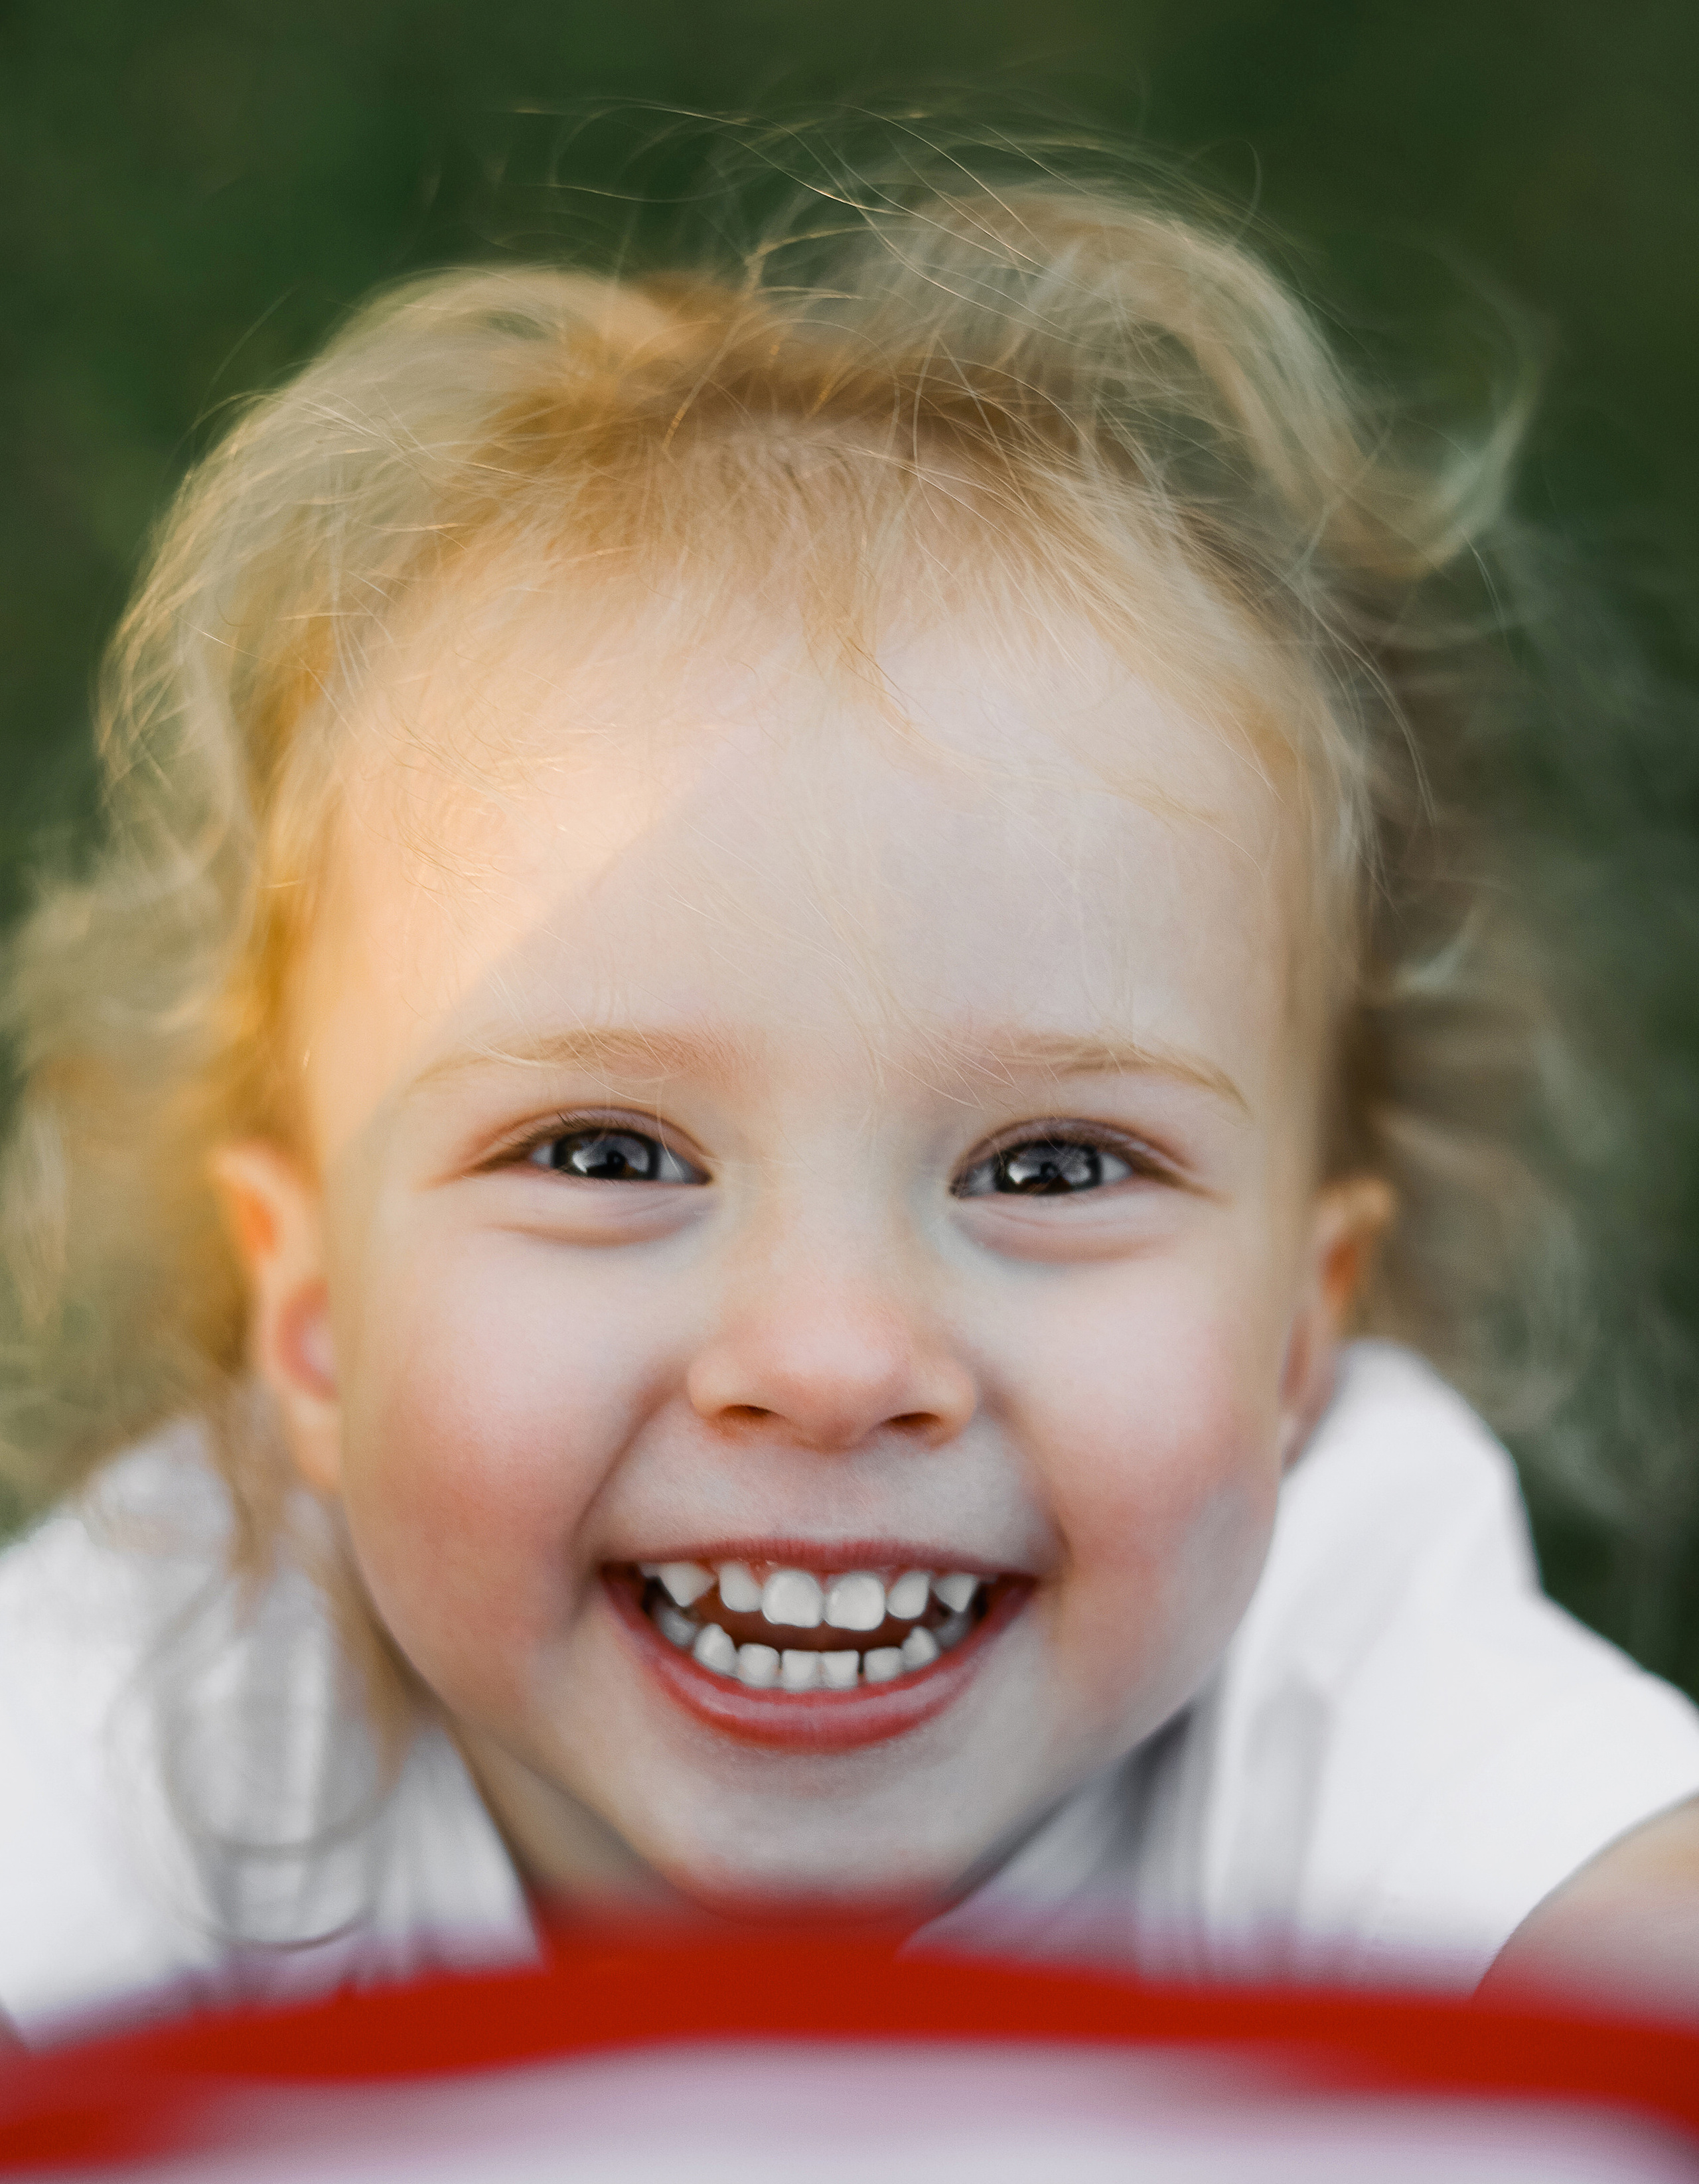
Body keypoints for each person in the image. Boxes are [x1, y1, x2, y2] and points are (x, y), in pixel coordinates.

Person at [1, 153, 1696, 2044]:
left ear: (1299, 1341)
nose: (828, 1356)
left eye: (1055, 1166)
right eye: (605, 1152)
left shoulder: (1340, 1639)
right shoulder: (168, 1680)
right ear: (312, 1332)